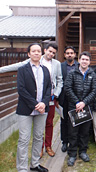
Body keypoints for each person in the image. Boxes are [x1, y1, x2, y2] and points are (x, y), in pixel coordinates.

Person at [0, 43, 63, 157]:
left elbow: (59, 80)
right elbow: (16, 66)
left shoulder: (57, 64)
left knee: (49, 122)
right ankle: (39, 148)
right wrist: (1, 69)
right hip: (33, 99)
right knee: (36, 127)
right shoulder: (35, 60)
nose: (51, 54)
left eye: (54, 52)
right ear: (44, 50)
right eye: (49, 51)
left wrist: (56, 94)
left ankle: (48, 145)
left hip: (50, 97)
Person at [16, 43, 51, 172]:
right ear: (29, 54)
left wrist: (44, 103)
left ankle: (35, 164)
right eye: (34, 51)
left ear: (41, 53)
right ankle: (22, 168)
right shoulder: (22, 69)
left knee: (38, 137)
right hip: (26, 109)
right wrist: (36, 104)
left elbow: (49, 88)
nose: (36, 53)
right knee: (24, 139)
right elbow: (21, 89)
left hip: (42, 109)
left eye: (38, 51)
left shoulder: (45, 69)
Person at [64, 51, 96, 166]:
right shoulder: (72, 73)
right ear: (79, 60)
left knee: (84, 132)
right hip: (74, 108)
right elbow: (67, 88)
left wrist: (84, 102)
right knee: (73, 132)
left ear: (89, 62)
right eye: (83, 59)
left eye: (87, 60)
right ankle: (72, 154)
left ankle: (83, 151)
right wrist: (77, 102)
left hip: (86, 108)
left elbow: (94, 90)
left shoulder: (92, 74)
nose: (84, 61)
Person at [58, 46, 78, 152]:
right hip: (64, 98)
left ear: (75, 54)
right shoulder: (60, 66)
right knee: (64, 120)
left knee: (76, 120)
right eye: (67, 53)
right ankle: (64, 142)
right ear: (65, 55)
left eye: (71, 53)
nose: (69, 55)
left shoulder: (79, 66)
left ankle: (75, 141)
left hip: (76, 98)